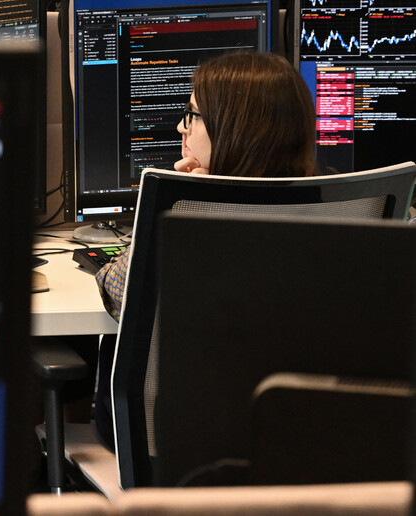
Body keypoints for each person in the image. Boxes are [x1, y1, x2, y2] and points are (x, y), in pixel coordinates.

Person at [93, 50, 318, 449]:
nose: (182, 126)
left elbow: (116, 287)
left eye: (193, 115)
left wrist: (174, 198)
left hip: (169, 449)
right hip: (300, 449)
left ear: (233, 129)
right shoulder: (342, 209)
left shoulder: (187, 216)